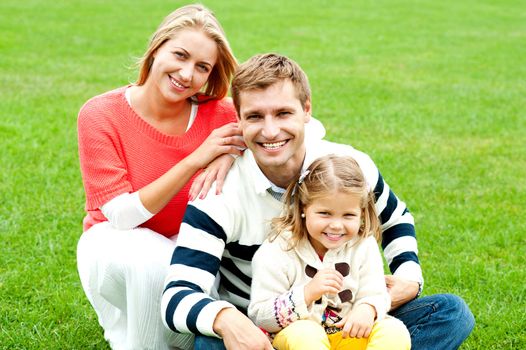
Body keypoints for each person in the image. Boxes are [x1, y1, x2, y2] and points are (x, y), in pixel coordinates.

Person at [161, 53, 475, 350]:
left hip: (349, 321)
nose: (271, 131)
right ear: (239, 121)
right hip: (266, 330)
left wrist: (408, 279)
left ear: (307, 110)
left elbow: (397, 219)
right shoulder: (217, 191)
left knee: (451, 314)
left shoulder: (348, 166)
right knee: (210, 343)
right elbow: (176, 295)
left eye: (283, 113)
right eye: (255, 116)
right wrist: (226, 319)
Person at [76, 4, 245, 349]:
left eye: (202, 67)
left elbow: (302, 128)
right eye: (179, 55)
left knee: (190, 329)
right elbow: (121, 216)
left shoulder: (221, 114)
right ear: (156, 49)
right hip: (116, 249)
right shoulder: (100, 114)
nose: (187, 74)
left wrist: (228, 155)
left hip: (188, 249)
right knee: (151, 262)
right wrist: (195, 159)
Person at [249, 154, 411, 350]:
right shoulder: (278, 249)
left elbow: (375, 292)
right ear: (303, 207)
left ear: (361, 213)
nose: (336, 225)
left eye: (348, 215)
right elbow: (260, 316)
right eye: (325, 213)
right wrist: (307, 293)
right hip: (296, 340)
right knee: (307, 333)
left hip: (348, 336)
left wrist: (367, 309)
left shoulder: (363, 245)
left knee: (394, 331)